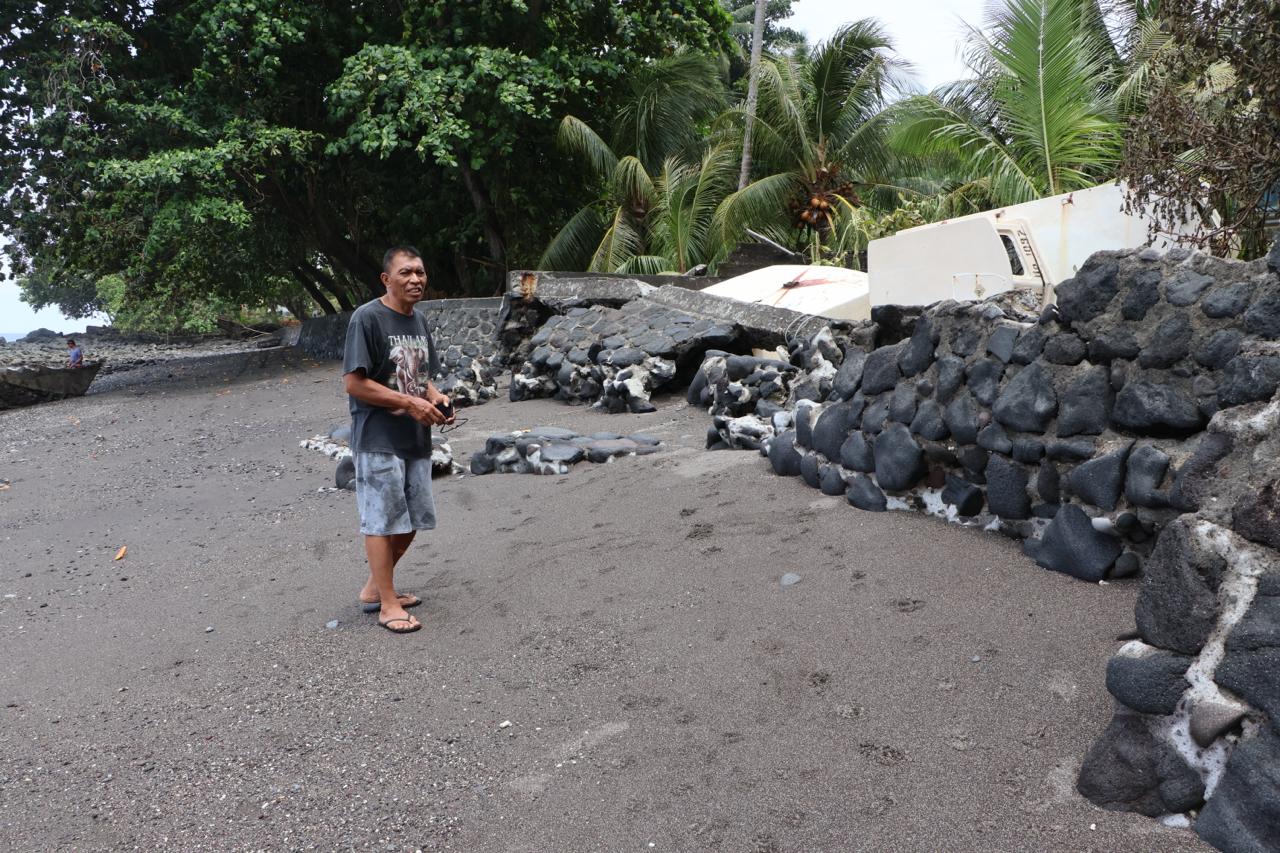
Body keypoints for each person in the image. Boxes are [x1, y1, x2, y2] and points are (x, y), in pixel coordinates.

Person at [342, 246, 454, 634]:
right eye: (405, 273)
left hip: (414, 437)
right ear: (386, 280)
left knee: (413, 519)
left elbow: (422, 377)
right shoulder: (367, 318)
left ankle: (376, 587)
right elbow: (354, 383)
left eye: (420, 272)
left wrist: (435, 398)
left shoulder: (418, 321)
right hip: (377, 437)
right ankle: (388, 605)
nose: (415, 280)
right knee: (382, 519)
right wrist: (409, 402)